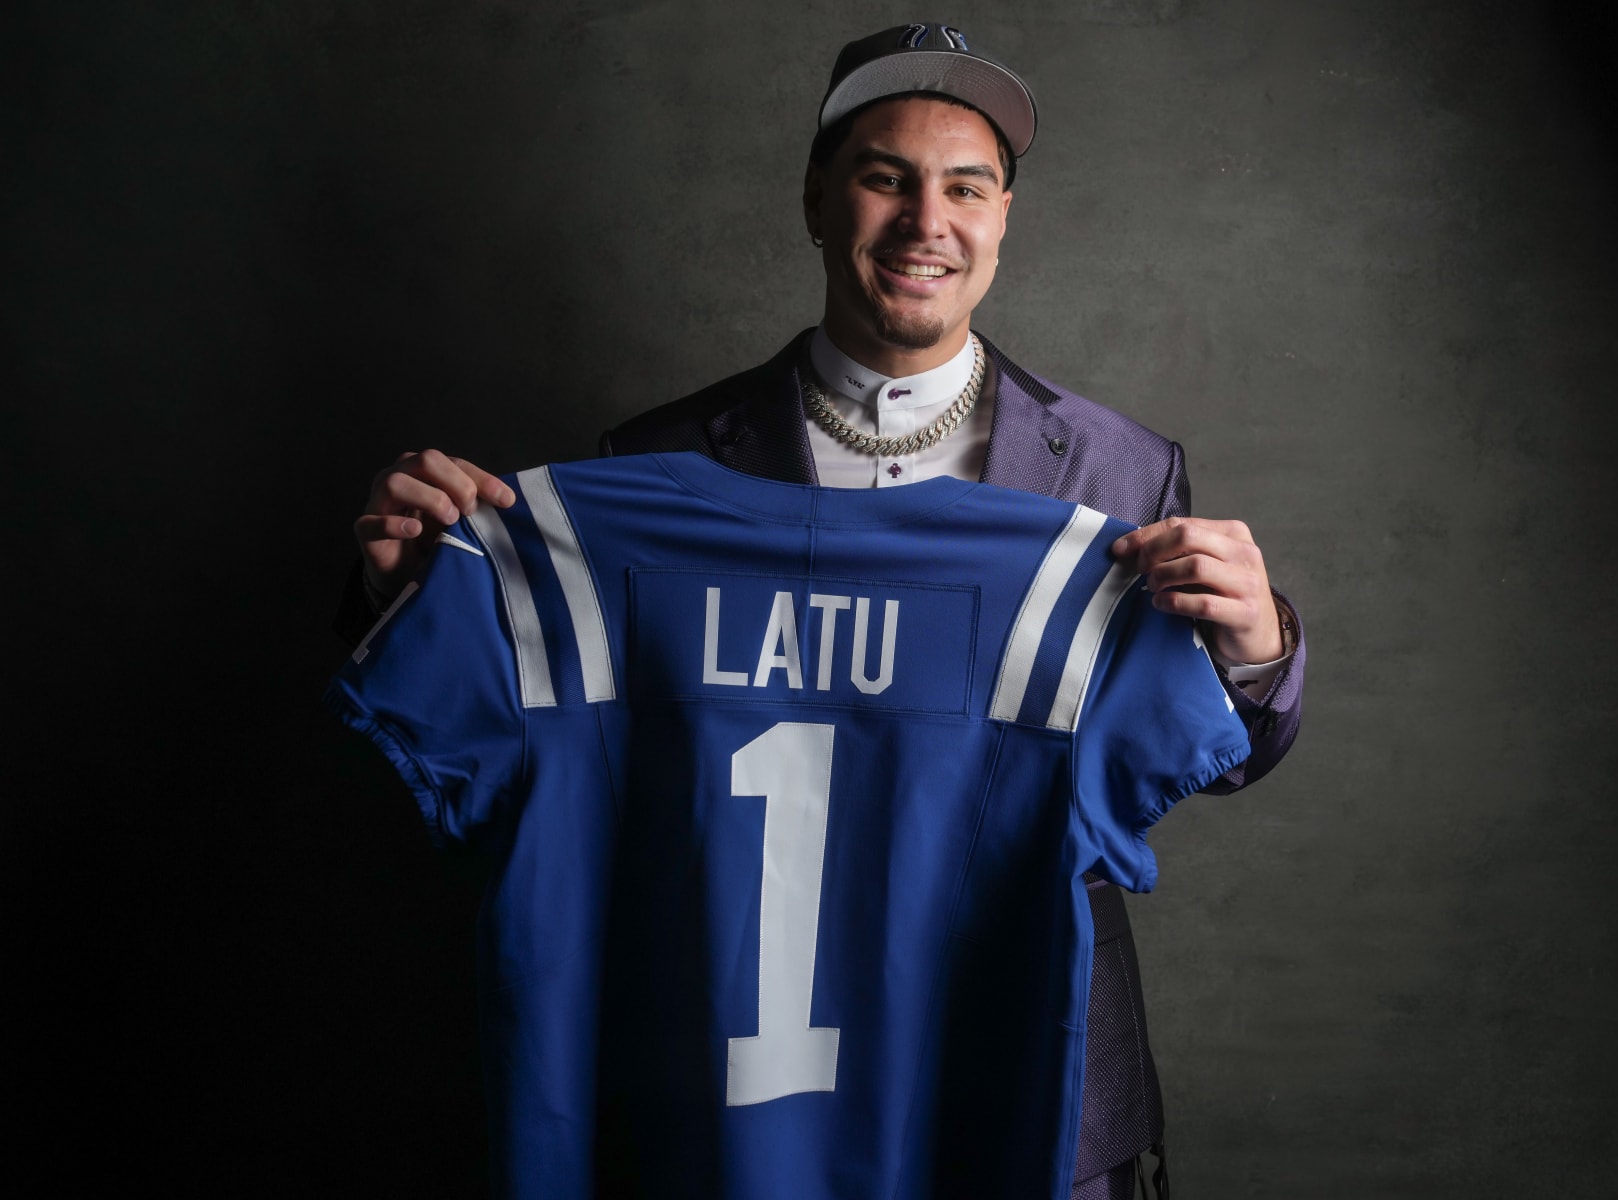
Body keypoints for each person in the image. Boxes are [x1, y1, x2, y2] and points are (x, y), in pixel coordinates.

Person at [336, 23, 1304, 1199]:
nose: (924, 222)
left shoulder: (1118, 472)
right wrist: (416, 593)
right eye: (884, 177)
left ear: (1004, 218)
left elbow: (1208, 751)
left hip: (1019, 1078)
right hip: (736, 1095)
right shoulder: (653, 465)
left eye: (966, 187)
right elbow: (521, 748)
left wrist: (1258, 652)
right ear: (818, 196)